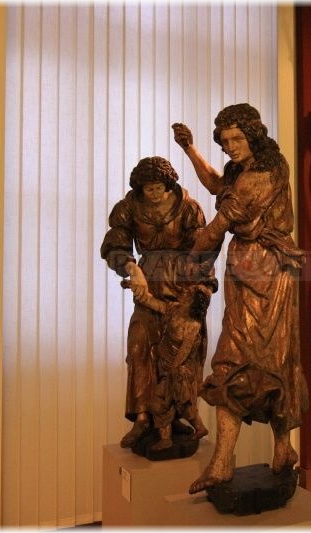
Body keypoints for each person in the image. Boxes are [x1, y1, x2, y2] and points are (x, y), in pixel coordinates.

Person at [172, 103, 309, 494]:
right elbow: (217, 185)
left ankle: (239, 459)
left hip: (269, 270)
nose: (230, 146)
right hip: (246, 266)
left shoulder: (265, 171)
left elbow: (218, 227)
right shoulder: (240, 170)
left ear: (253, 135)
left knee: (258, 359)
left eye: (237, 138)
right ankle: (264, 454)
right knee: (252, 359)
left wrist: (181, 260)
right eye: (225, 140)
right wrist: (190, 149)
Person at [100, 156, 215, 449]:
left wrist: (202, 292)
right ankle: (142, 417)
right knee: (139, 348)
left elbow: (203, 250)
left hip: (182, 286)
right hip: (147, 284)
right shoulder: (128, 208)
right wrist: (132, 269)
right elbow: (114, 245)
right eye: (147, 188)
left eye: (158, 188)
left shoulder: (188, 208)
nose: (153, 193)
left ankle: (177, 417)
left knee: (180, 357)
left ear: (169, 185)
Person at [149, 284, 211, 451]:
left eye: (189, 292)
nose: (184, 291)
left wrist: (173, 371)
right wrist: (134, 287)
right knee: (179, 405)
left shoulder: (193, 325)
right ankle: (198, 428)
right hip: (166, 366)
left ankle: (166, 439)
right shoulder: (174, 309)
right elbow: (152, 302)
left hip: (179, 370)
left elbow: (184, 351)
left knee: (161, 403)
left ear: (193, 301)